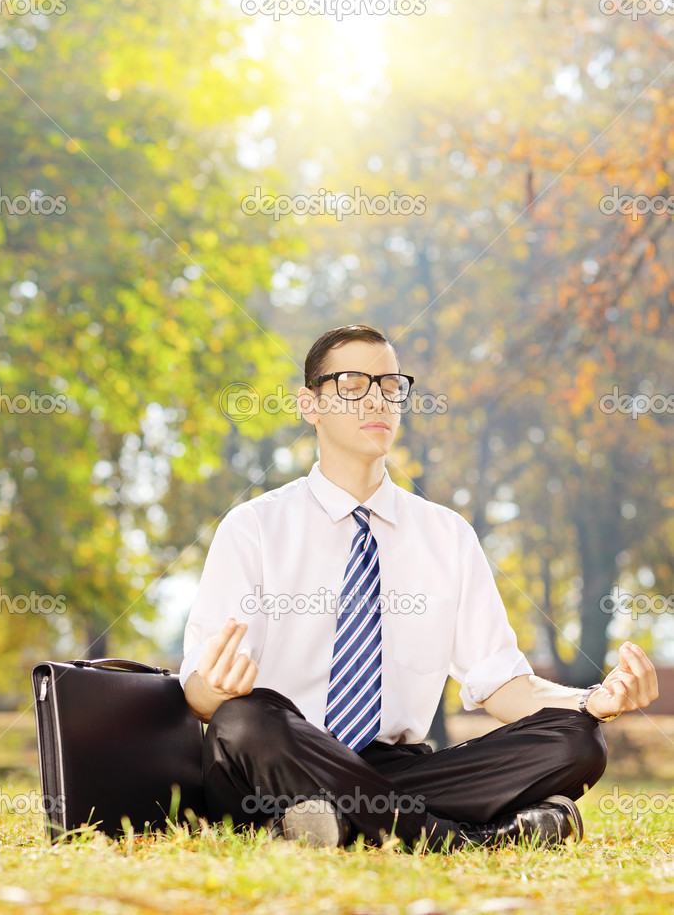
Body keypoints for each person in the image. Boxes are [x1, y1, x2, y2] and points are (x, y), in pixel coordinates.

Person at [180, 324, 659, 852]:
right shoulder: (254, 526)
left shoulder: (446, 535)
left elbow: (502, 684)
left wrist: (594, 699)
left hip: (392, 764)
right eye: (351, 383)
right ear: (309, 405)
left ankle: (327, 823)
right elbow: (201, 698)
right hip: (276, 757)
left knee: (576, 741)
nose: (377, 398)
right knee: (246, 720)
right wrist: (214, 690)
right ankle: (462, 840)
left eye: (389, 384)